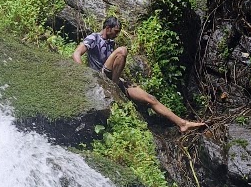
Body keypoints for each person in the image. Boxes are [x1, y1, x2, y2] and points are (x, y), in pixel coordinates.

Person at [73, 15, 208, 135]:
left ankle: (182, 124)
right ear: (108, 28)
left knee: (150, 99)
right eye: (116, 31)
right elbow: (76, 53)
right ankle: (114, 86)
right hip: (100, 76)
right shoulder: (94, 37)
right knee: (122, 50)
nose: (117, 35)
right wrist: (85, 74)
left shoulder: (111, 43)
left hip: (114, 78)